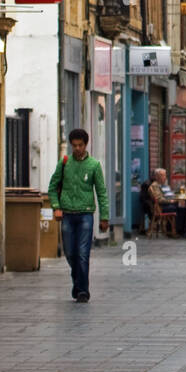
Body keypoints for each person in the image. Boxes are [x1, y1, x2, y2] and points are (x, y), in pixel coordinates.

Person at [49, 129, 109, 302]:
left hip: (85, 215)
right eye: (74, 145)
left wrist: (105, 217)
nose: (77, 148)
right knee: (70, 253)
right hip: (67, 214)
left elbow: (102, 192)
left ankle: (83, 290)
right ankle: (78, 283)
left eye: (80, 145)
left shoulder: (94, 165)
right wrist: (56, 207)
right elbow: (53, 187)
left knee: (82, 253)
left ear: (86, 144)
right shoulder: (64, 162)